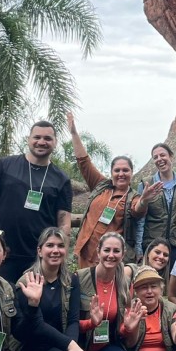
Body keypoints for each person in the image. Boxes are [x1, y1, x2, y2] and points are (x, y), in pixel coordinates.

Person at [13, 227, 108, 351]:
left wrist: (71, 349)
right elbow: (36, 325)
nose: (55, 250)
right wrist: (70, 346)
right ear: (40, 251)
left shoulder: (70, 279)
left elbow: (73, 320)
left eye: (60, 246)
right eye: (50, 245)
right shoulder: (27, 281)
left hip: (59, 349)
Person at [74, 234, 162, 351]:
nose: (111, 255)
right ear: (98, 252)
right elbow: (69, 323)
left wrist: (129, 327)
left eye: (116, 251)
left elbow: (122, 335)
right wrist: (91, 323)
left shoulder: (123, 283)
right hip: (81, 350)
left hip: (105, 348)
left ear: (122, 255)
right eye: (107, 250)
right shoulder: (79, 279)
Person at [0, 120, 72, 283]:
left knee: (33, 303)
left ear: (55, 142)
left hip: (39, 257)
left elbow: (64, 221)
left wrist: (58, 252)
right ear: (29, 139)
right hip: (3, 252)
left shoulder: (61, 179)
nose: (42, 142)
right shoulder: (5, 166)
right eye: (37, 137)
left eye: (47, 138)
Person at [68, 113, 140, 268]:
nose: (121, 174)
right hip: (86, 252)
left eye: (125, 170)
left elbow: (138, 210)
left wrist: (146, 198)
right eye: (117, 170)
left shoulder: (132, 197)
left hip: (109, 258)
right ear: (112, 172)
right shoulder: (101, 185)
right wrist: (74, 133)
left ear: (132, 173)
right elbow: (84, 162)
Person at [131, 143, 176, 267]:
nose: (159, 159)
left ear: (171, 156)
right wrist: (139, 248)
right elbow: (140, 220)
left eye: (162, 155)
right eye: (155, 157)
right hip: (152, 244)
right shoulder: (146, 184)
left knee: (174, 283)